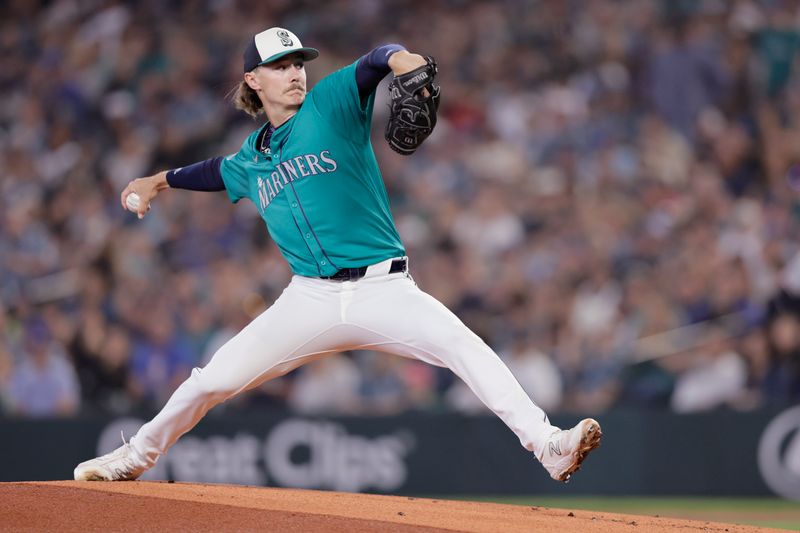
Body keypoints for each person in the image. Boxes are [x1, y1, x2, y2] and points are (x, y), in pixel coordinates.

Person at [73, 27, 601, 484]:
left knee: (465, 347)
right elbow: (210, 171)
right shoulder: (249, 160)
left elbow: (375, 59)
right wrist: (154, 181)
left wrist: (404, 61)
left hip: (384, 289)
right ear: (253, 80)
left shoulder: (330, 103)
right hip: (310, 298)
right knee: (210, 381)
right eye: (279, 66)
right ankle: (134, 456)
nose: (295, 73)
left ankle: (549, 445)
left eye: (298, 62)